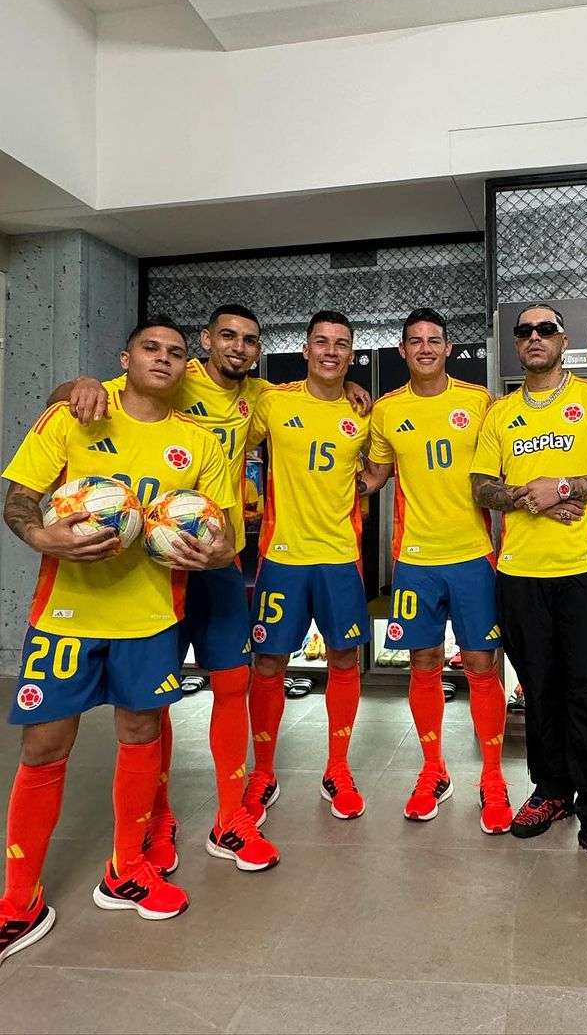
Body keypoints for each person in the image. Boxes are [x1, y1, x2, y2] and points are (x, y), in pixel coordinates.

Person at [0, 318, 236, 961]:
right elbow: (18, 500)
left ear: (188, 367)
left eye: (176, 353)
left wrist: (208, 553)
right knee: (44, 744)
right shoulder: (75, 414)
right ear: (124, 357)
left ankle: (126, 869)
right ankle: (18, 900)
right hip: (66, 619)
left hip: (150, 618)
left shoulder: (199, 444)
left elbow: (228, 541)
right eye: (150, 349)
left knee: (141, 734)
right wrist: (42, 537)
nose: (163, 359)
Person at [53, 304, 281, 873]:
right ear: (204, 341)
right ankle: (156, 819)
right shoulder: (173, 375)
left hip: (219, 555)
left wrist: (351, 385)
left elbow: (316, 397)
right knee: (153, 701)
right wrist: (76, 383)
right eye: (227, 335)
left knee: (234, 681)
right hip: (157, 565)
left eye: (250, 340)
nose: (238, 346)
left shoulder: (262, 397)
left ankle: (231, 818)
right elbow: (80, 396)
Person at [470, 303, 587, 881]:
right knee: (540, 691)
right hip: (520, 574)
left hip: (585, 570)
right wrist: (533, 496)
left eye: (546, 329)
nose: (535, 337)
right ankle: (551, 791)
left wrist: (567, 484)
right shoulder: (501, 412)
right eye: (525, 332)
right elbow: (482, 487)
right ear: (516, 344)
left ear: (563, 340)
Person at [358, 308, 512, 833]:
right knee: (423, 661)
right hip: (415, 563)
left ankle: (492, 778)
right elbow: (374, 477)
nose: (425, 348)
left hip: (473, 557)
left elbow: (509, 468)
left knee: (481, 664)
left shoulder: (479, 402)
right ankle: (433, 770)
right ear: (401, 351)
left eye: (435, 340)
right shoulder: (384, 410)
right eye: (415, 341)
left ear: (448, 349)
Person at [243, 311, 371, 829]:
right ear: (306, 349)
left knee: (344, 660)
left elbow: (380, 467)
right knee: (269, 663)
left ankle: (337, 768)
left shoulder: (365, 412)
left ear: (351, 354)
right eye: (322, 342)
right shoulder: (274, 401)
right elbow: (234, 442)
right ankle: (263, 772)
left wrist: (356, 488)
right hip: (282, 559)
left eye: (342, 344)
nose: (331, 352)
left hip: (341, 558)